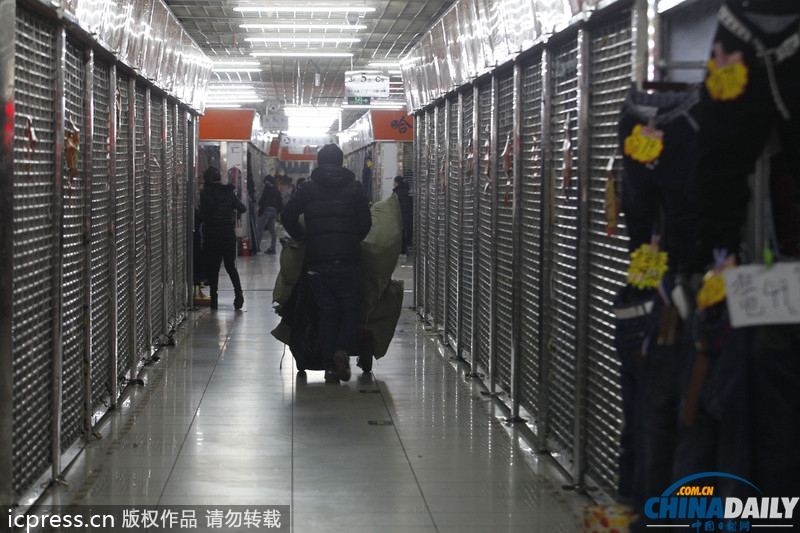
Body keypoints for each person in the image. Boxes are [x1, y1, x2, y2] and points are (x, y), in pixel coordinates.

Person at [281, 144, 372, 383]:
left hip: (317, 260)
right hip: (347, 258)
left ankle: (330, 368)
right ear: (342, 162)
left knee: (326, 311)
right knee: (350, 307)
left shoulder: (307, 188)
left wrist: (302, 236)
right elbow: (366, 223)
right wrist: (352, 240)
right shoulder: (355, 187)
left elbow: (288, 215)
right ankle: (341, 349)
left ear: (318, 163)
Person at [198, 165, 247, 310]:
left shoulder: (205, 193)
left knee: (213, 268)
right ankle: (238, 294)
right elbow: (242, 208)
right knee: (230, 266)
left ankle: (214, 300)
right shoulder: (229, 192)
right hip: (227, 234)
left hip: (212, 234)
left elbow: (203, 215)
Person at [256, 175, 282, 254]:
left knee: (260, 229)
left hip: (267, 210)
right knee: (272, 230)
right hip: (274, 210)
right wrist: (278, 212)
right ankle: (272, 248)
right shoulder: (276, 188)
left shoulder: (267, 186)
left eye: (265, 181)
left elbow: (263, 197)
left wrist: (259, 206)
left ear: (267, 180)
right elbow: (280, 201)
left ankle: (256, 247)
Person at [392, 176, 413, 256]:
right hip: (408, 216)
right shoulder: (408, 193)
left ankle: (402, 250)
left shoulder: (396, 194)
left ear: (397, 183)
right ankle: (405, 248)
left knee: (400, 233)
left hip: (399, 216)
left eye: (394, 182)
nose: (393, 184)